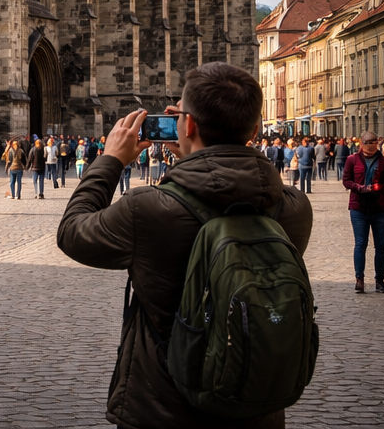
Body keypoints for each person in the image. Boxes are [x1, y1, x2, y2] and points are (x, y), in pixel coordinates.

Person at [57, 62, 313, 429]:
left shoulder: (148, 209)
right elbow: (228, 191)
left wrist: (111, 159)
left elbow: (72, 232)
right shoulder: (293, 208)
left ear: (187, 124)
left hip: (163, 407)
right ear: (254, 130)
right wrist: (198, 156)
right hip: (254, 406)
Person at [342, 130, 384, 293]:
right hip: (358, 207)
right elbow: (346, 180)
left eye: (374, 142)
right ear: (362, 143)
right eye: (368, 142)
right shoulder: (352, 160)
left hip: (380, 208)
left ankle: (379, 280)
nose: (371, 145)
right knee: (360, 244)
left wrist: (382, 187)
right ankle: (359, 278)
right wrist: (358, 187)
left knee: (381, 246)